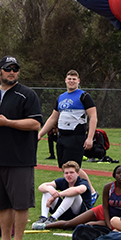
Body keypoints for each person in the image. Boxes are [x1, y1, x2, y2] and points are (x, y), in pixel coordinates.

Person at [0, 56, 43, 240]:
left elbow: (35, 123)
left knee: (20, 204)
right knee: (2, 204)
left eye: (15, 69)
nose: (11, 72)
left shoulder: (27, 95)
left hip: (20, 159)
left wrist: (8, 123)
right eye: (7, 69)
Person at [37, 70, 99, 203]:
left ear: (78, 81)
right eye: (69, 78)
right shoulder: (61, 97)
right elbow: (53, 118)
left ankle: (91, 192)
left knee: (74, 167)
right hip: (62, 137)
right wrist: (40, 134)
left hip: (76, 136)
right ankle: (75, 191)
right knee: (65, 166)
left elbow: (93, 117)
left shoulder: (84, 96)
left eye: (74, 79)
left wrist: (90, 137)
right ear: (65, 80)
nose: (71, 81)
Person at [45, 164, 121, 231]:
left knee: (87, 225)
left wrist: (111, 224)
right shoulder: (108, 187)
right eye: (118, 173)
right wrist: (108, 225)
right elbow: (105, 207)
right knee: (70, 223)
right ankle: (44, 225)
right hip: (100, 211)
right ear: (114, 175)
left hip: (114, 219)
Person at [32, 160, 92, 229]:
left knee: (73, 193)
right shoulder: (62, 181)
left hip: (81, 215)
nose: (69, 175)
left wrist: (57, 195)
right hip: (65, 213)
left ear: (78, 173)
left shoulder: (83, 182)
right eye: (66, 173)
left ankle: (53, 218)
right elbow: (41, 187)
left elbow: (78, 190)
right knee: (48, 188)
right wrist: (51, 191)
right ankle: (43, 217)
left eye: (72, 172)